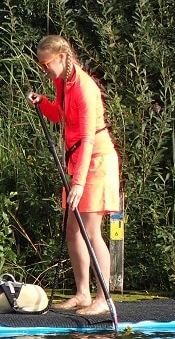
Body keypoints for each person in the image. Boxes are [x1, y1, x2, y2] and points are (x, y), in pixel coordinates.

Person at [26, 35, 120, 316]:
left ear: (63, 57)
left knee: (92, 231)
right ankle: (82, 293)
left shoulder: (85, 88)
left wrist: (78, 183)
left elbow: (89, 137)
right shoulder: (62, 83)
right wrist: (41, 102)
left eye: (47, 64)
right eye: (40, 65)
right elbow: (59, 115)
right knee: (72, 231)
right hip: (78, 162)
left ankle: (104, 299)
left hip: (97, 162)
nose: (45, 70)